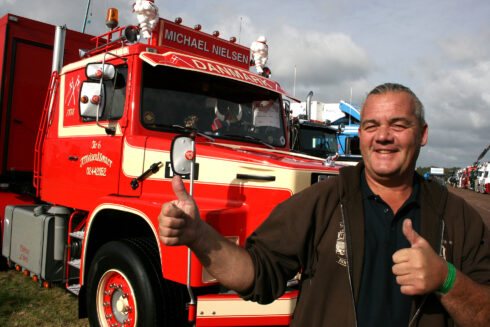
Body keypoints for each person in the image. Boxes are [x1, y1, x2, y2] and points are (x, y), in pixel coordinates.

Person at [159, 83, 490, 326]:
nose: (383, 136)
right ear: (360, 135)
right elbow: (257, 274)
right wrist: (199, 236)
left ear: (423, 134)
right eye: (371, 126)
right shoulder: (320, 203)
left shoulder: (459, 218)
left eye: (398, 125)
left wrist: (446, 280)